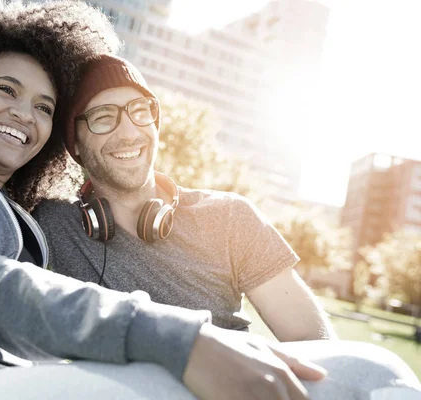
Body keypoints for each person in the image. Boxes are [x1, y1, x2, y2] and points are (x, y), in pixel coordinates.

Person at [32, 53, 421, 399]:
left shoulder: (230, 216)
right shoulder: (51, 223)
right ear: (76, 145)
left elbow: (313, 344)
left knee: (378, 372)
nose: (129, 130)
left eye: (140, 110)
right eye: (103, 117)